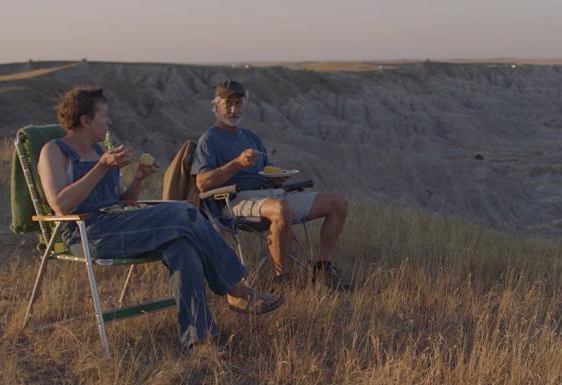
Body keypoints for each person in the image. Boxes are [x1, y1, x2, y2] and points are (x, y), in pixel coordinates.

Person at [37, 86, 283, 353]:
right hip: (88, 232)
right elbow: (60, 205)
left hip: (120, 224)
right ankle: (237, 289)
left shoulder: (99, 152)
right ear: (85, 120)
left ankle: (199, 340)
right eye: (104, 116)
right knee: (185, 211)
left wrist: (139, 177)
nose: (109, 122)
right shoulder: (55, 151)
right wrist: (101, 168)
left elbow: (123, 200)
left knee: (183, 249)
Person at [191, 80, 351, 290]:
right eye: (228, 104)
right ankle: (281, 280)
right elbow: (202, 184)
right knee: (280, 208)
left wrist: (276, 177)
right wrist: (237, 164)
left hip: (271, 193)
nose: (233, 109)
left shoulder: (250, 137)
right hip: (235, 200)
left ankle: (321, 269)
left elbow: (267, 169)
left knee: (338, 203)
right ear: (216, 106)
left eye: (238, 103)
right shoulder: (209, 140)